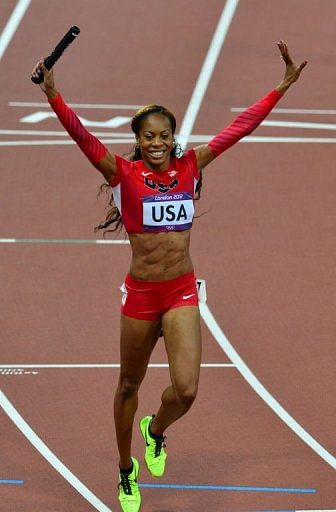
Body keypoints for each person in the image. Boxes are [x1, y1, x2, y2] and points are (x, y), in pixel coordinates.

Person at [32, 41, 306, 512]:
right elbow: (82, 138)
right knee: (127, 387)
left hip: (180, 290)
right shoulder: (122, 174)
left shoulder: (191, 165)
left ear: (172, 137)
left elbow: (238, 129)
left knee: (187, 390)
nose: (156, 143)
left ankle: (155, 431)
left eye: (163, 136)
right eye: (148, 137)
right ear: (138, 140)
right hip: (141, 296)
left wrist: (280, 88)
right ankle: (125, 471)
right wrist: (54, 95)